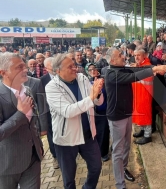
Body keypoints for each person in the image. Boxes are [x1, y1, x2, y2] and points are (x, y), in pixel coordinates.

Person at [104, 47, 166, 189]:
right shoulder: (110, 73)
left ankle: (123, 169)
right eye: (120, 55)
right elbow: (132, 77)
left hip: (127, 113)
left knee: (127, 145)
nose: (124, 56)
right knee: (118, 149)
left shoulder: (121, 68)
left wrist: (155, 67)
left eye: (122, 54)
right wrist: (153, 70)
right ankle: (120, 184)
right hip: (117, 117)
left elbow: (135, 71)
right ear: (112, 60)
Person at [45, 54, 104, 189]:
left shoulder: (82, 78)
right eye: (70, 66)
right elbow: (68, 111)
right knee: (69, 178)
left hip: (88, 134)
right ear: (58, 71)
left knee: (96, 167)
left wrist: (98, 92)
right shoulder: (51, 87)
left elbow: (97, 102)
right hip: (66, 139)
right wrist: (92, 97)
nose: (75, 68)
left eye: (74, 65)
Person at [0, 52, 44, 189]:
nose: (25, 70)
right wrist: (20, 114)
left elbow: (33, 122)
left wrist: (38, 146)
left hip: (33, 158)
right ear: (3, 72)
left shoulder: (28, 90)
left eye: (24, 66)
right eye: (19, 67)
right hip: (7, 164)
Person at [85, 63, 110, 162]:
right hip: (92, 112)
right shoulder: (86, 82)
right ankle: (96, 151)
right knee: (95, 133)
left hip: (104, 111)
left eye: (94, 69)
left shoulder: (103, 79)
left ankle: (104, 152)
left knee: (104, 132)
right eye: (90, 70)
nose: (92, 71)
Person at [131, 48, 154, 145]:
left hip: (144, 94)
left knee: (145, 113)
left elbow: (147, 79)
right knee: (139, 112)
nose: (136, 57)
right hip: (138, 94)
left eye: (138, 55)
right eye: (135, 55)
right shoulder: (139, 65)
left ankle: (147, 135)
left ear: (144, 56)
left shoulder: (147, 66)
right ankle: (142, 130)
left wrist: (137, 69)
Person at [40, 57, 59, 169]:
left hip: (63, 110)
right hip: (49, 113)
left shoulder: (62, 76)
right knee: (51, 135)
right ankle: (55, 156)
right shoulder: (42, 80)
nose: (55, 67)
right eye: (52, 65)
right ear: (46, 68)